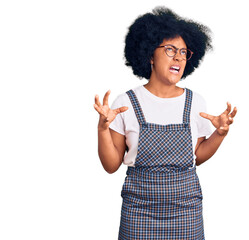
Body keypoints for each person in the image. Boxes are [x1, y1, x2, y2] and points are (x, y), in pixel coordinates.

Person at [93, 6, 237, 240]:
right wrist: (102, 129)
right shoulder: (125, 103)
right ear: (150, 54)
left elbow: (197, 156)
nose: (179, 57)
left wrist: (220, 134)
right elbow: (111, 166)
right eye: (170, 49)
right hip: (138, 212)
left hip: (186, 212)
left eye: (183, 51)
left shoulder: (195, 102)